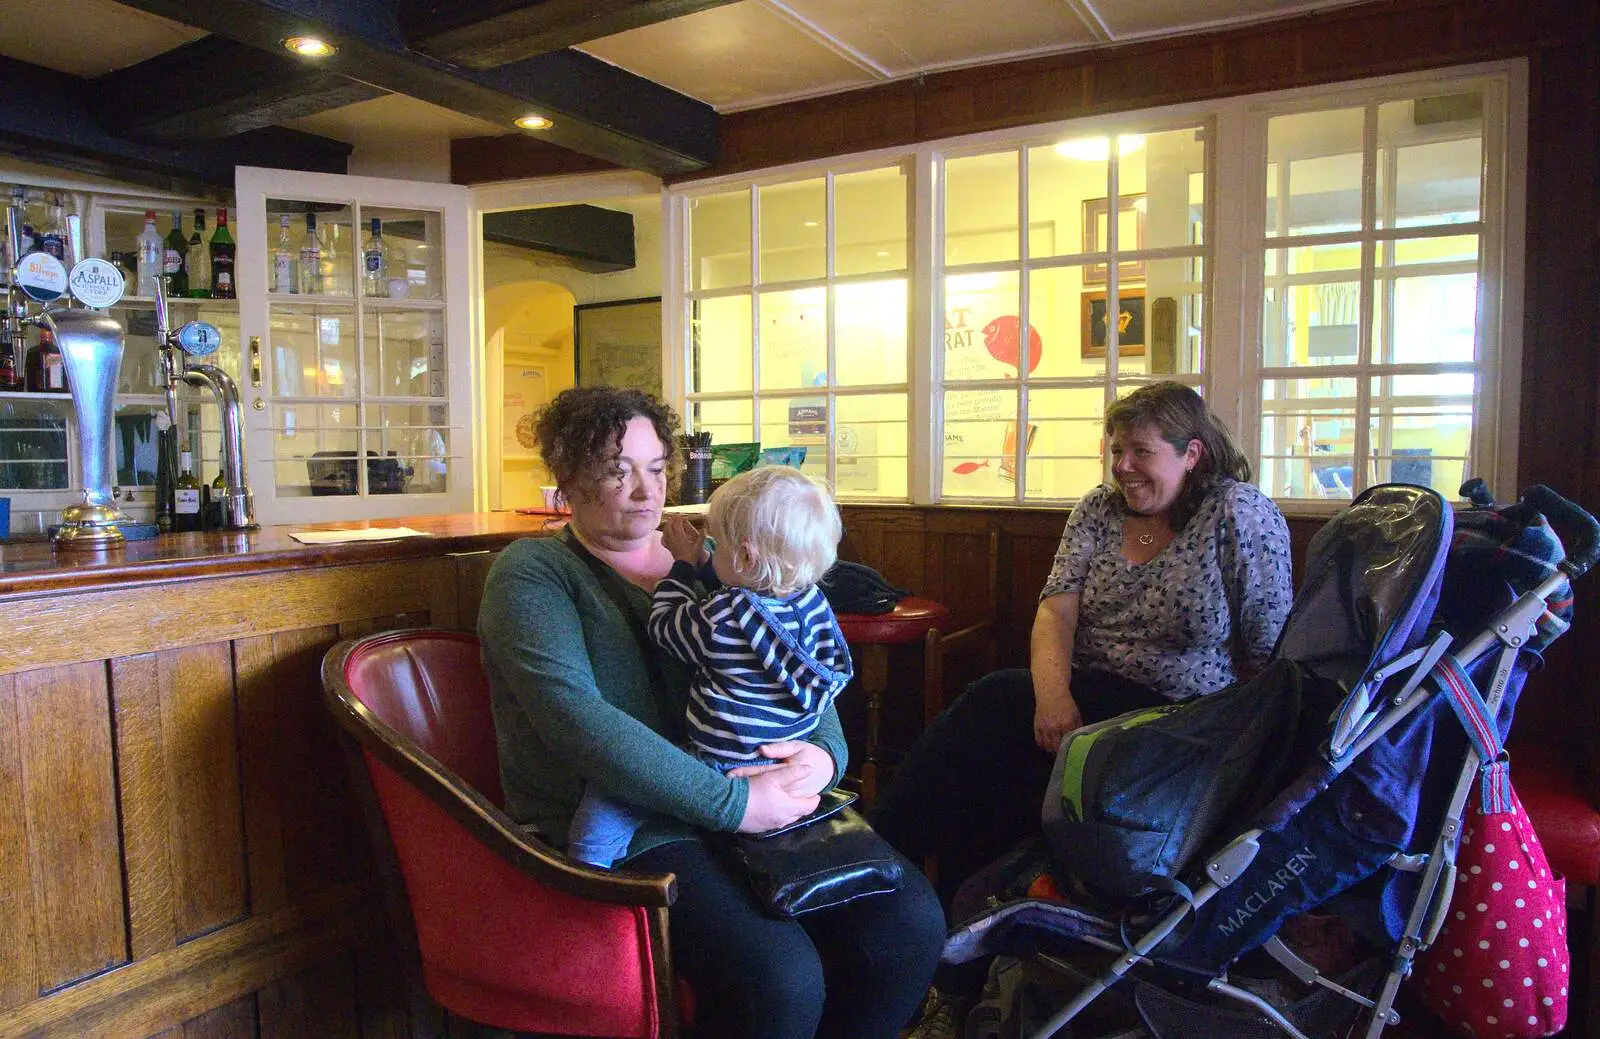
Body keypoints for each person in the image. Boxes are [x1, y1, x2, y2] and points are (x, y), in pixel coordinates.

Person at [477, 386, 943, 1039]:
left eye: (656, 467)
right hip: (634, 822)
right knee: (780, 979)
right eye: (617, 470)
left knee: (910, 925)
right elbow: (576, 721)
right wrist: (735, 804)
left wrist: (824, 755)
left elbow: (799, 658)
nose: (645, 490)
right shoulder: (533, 572)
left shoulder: (719, 558)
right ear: (568, 480)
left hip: (757, 803)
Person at [877, 381, 1294, 1037]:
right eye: (1116, 448)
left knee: (991, 700)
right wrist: (1054, 695)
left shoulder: (1240, 514)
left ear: (1192, 453)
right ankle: (941, 965)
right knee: (984, 784)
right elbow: (1056, 608)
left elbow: (1269, 656)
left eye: (1140, 451)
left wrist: (1240, 765)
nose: (1122, 465)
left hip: (1178, 723)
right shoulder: (1099, 510)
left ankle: (882, 859)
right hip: (1085, 703)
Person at [566, 464, 856, 867]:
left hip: (720, 760)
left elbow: (666, 627)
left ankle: (586, 870)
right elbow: (744, 584)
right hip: (782, 758)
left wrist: (683, 567)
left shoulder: (727, 615)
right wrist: (712, 563)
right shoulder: (811, 604)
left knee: (609, 799)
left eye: (716, 544)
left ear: (745, 556)